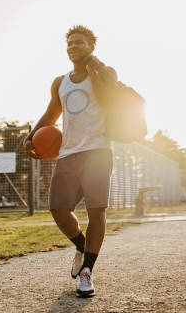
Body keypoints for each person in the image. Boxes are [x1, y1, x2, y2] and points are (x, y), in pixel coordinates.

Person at [24, 25, 115, 298]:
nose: (73, 47)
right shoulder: (59, 82)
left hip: (98, 150)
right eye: (70, 43)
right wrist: (30, 137)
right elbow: (51, 114)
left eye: (80, 43)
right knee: (58, 209)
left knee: (96, 211)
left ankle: (87, 271)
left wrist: (93, 68)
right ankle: (82, 245)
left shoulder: (106, 73)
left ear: (91, 47)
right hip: (68, 154)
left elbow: (107, 97)